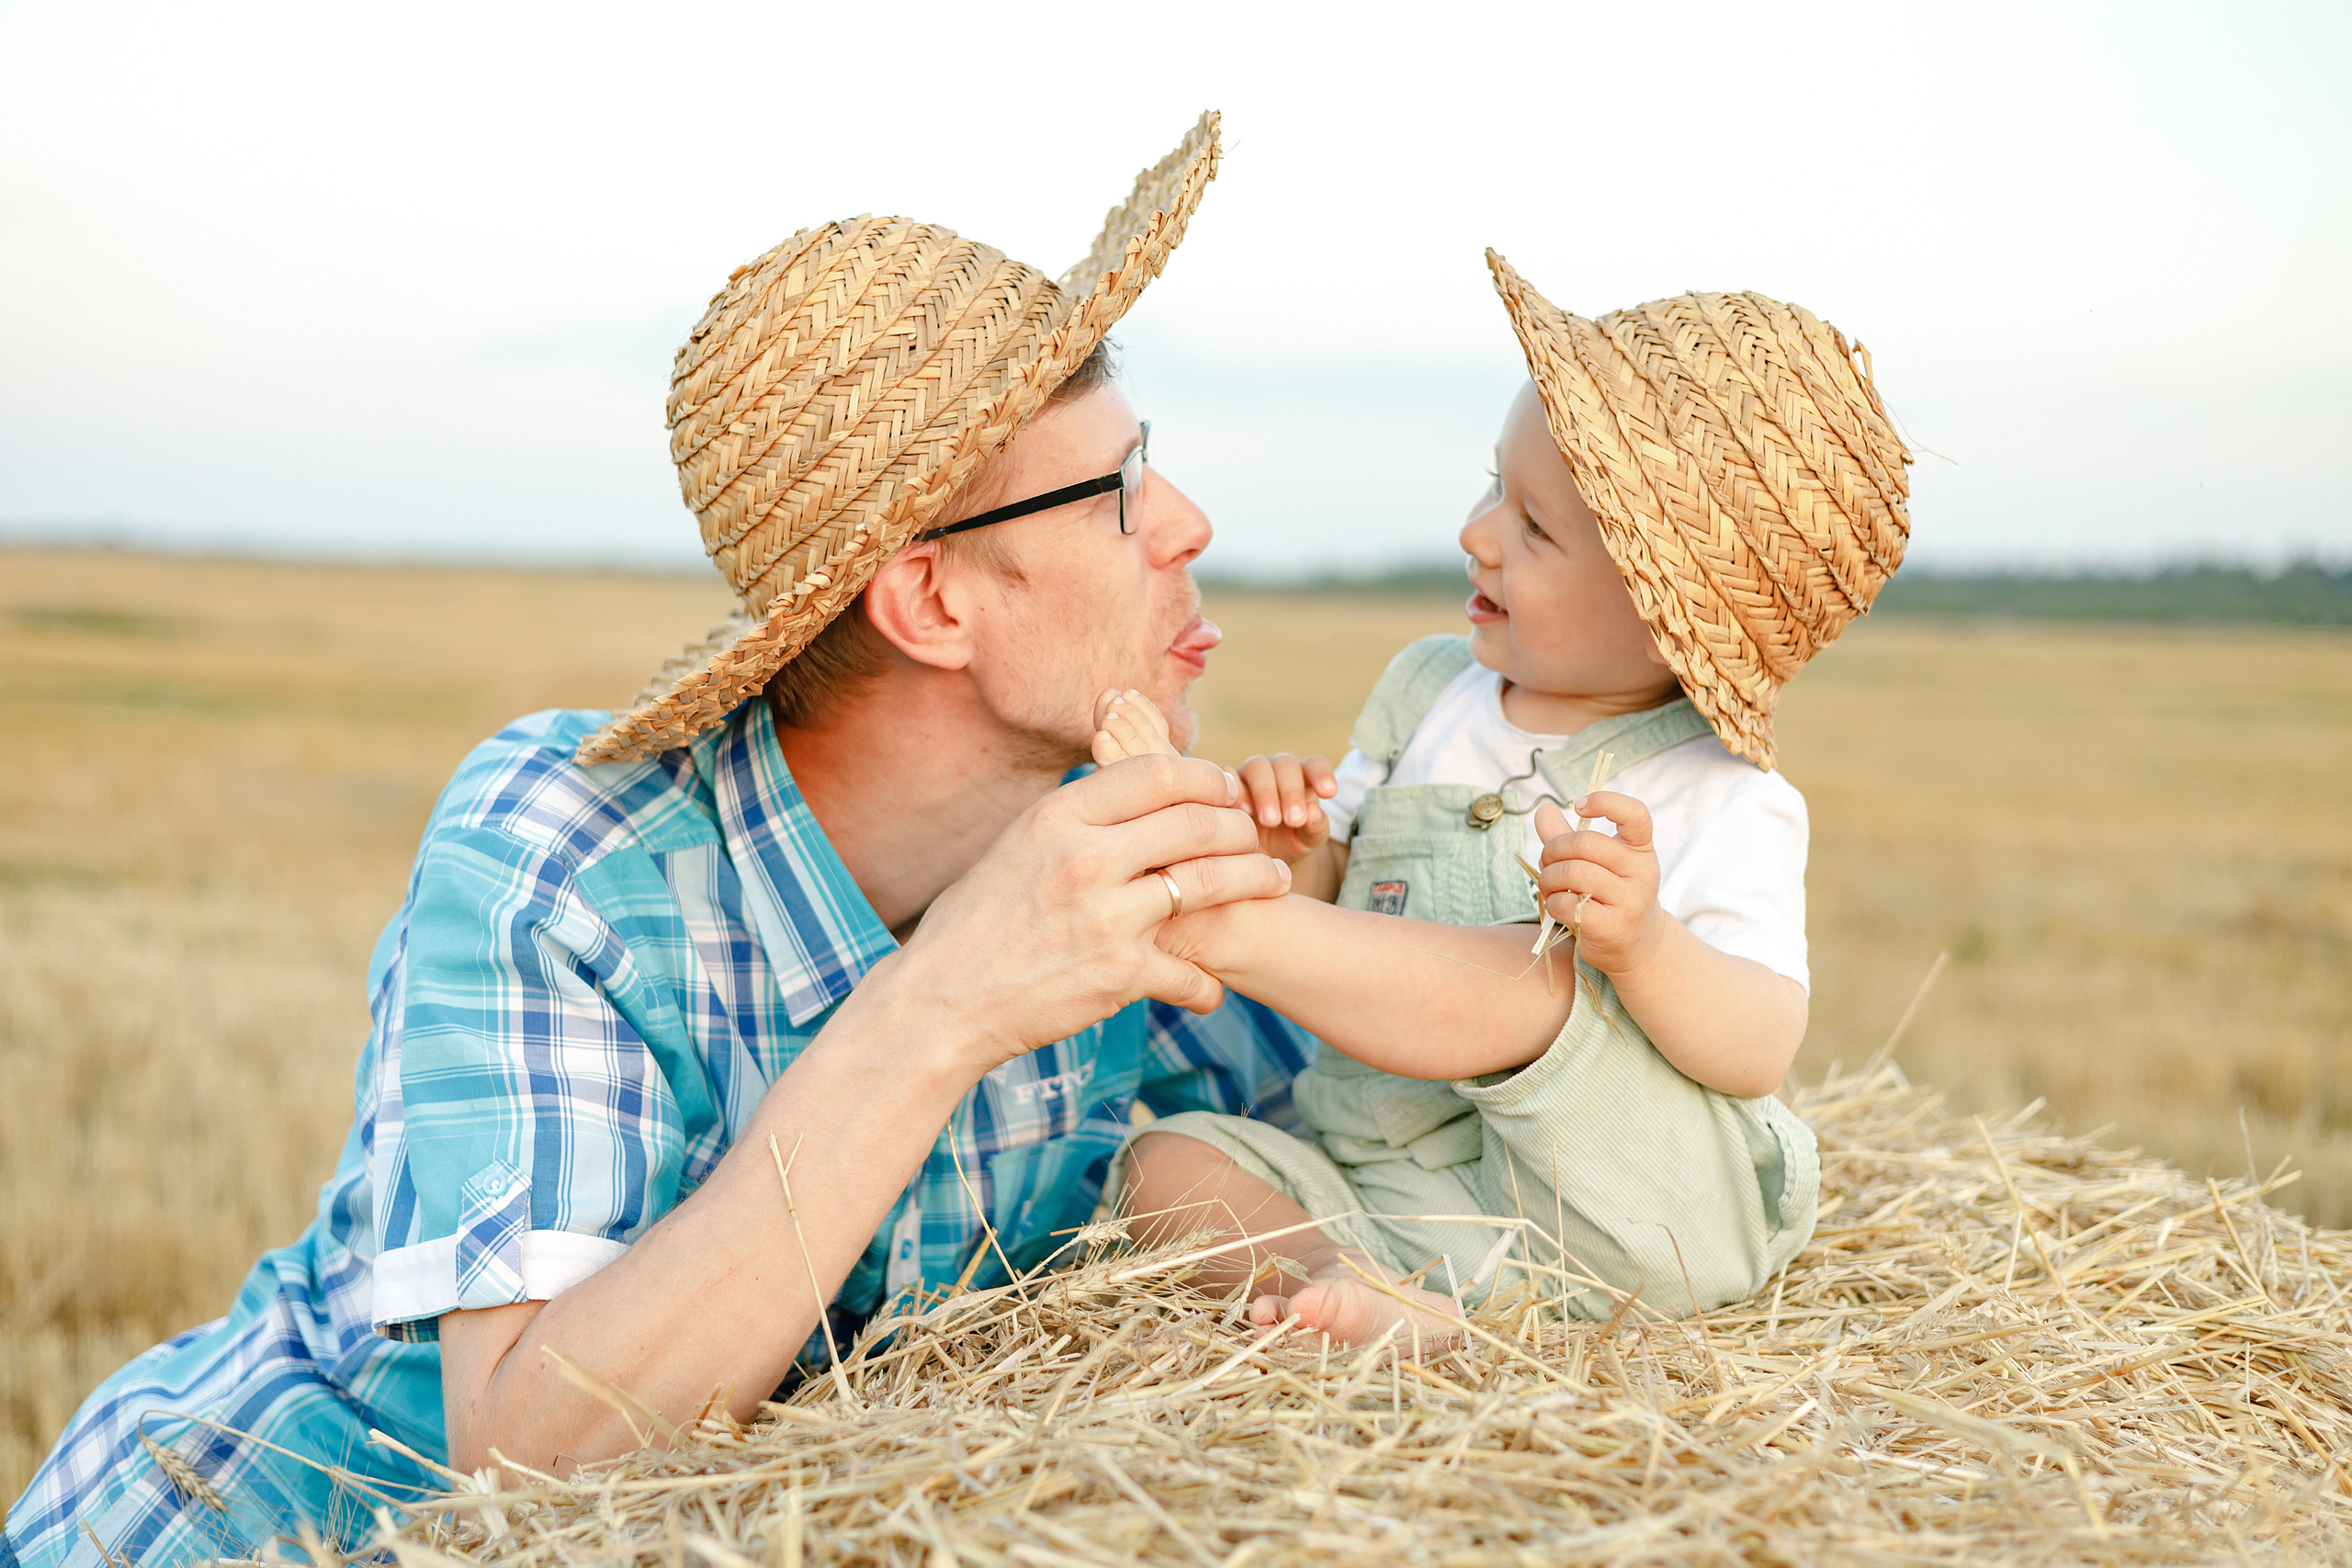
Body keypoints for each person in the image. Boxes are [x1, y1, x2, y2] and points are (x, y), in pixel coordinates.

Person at [6, 113, 1316, 1568]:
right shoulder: (569, 851)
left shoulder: (1116, 850)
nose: (1189, 523)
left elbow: (1411, 1142)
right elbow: (533, 1457)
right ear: (933, 602)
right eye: (1120, 491)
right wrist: (951, 999)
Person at [1101, 258, 1914, 1347]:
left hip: (1614, 1217)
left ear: (1662, 619)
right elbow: (1337, 900)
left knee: (1536, 980)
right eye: (1494, 487)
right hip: (1394, 1182)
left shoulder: (1715, 789)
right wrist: (1296, 849)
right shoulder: (1429, 691)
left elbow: (1759, 1046)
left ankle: (1206, 913)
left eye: (1533, 527)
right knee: (1160, 1164)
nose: (1476, 533)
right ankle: (1357, 1286)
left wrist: (1646, 948)